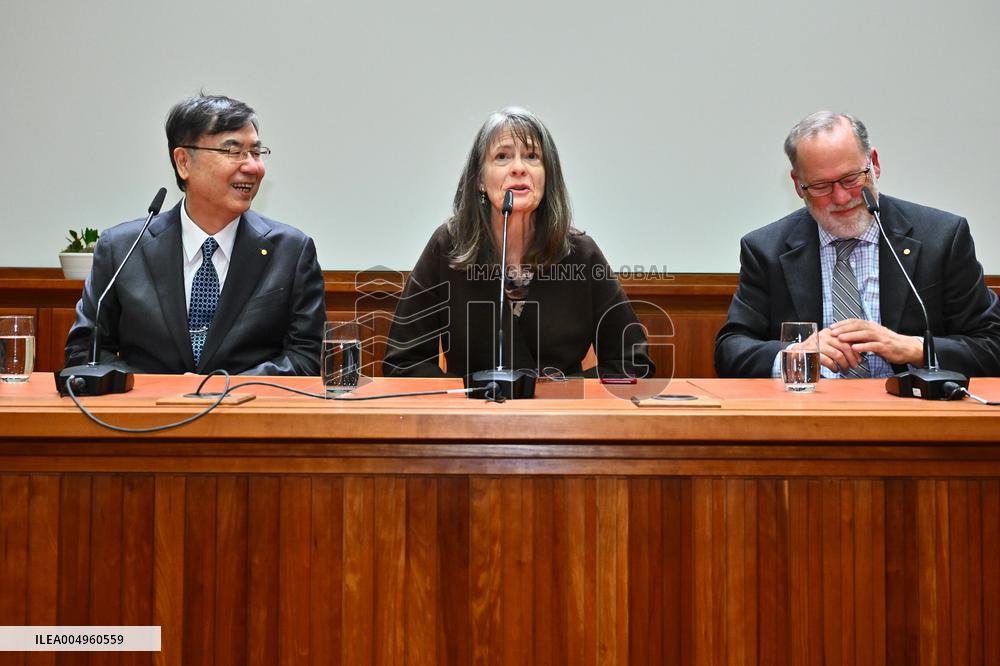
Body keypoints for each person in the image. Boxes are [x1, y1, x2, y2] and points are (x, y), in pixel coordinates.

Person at [715, 110, 1000, 379]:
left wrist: (915, 348)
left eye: (851, 179)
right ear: (798, 185)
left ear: (873, 163)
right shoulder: (766, 249)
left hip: (912, 407)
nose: (841, 198)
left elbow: (991, 344)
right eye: (821, 186)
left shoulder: (941, 237)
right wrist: (795, 354)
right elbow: (730, 350)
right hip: (809, 407)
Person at [382, 106, 653, 380]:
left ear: (548, 176)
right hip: (475, 406)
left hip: (562, 407)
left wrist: (560, 392)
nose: (519, 168)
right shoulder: (449, 245)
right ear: (480, 180)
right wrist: (467, 392)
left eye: (532, 156)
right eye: (502, 156)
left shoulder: (581, 254)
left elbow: (632, 362)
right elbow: (403, 362)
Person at [64, 93, 326, 375]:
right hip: (148, 404)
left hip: (248, 403)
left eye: (256, 152)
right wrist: (161, 390)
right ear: (184, 162)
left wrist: (223, 390)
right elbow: (85, 352)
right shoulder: (122, 249)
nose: (253, 166)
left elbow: (307, 357)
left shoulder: (290, 251)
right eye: (233, 151)